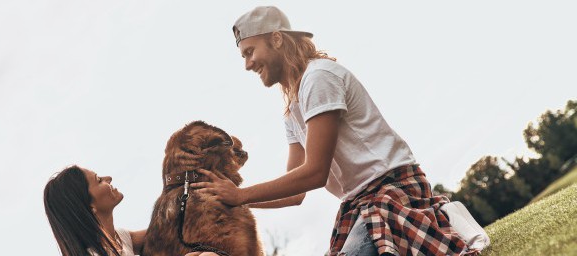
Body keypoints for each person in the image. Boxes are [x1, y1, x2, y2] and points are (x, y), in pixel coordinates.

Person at [192, 6, 476, 256]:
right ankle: (431, 225)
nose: (247, 64)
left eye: (250, 52)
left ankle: (433, 220)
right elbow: (296, 192)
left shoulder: (319, 78)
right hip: (359, 204)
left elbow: (315, 173)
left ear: (276, 39)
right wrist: (229, 200)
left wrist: (240, 196)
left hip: (393, 190)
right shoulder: (292, 108)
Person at [44, 165, 219, 256]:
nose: (108, 178)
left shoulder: (119, 238)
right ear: (91, 207)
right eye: (98, 180)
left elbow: (169, 230)